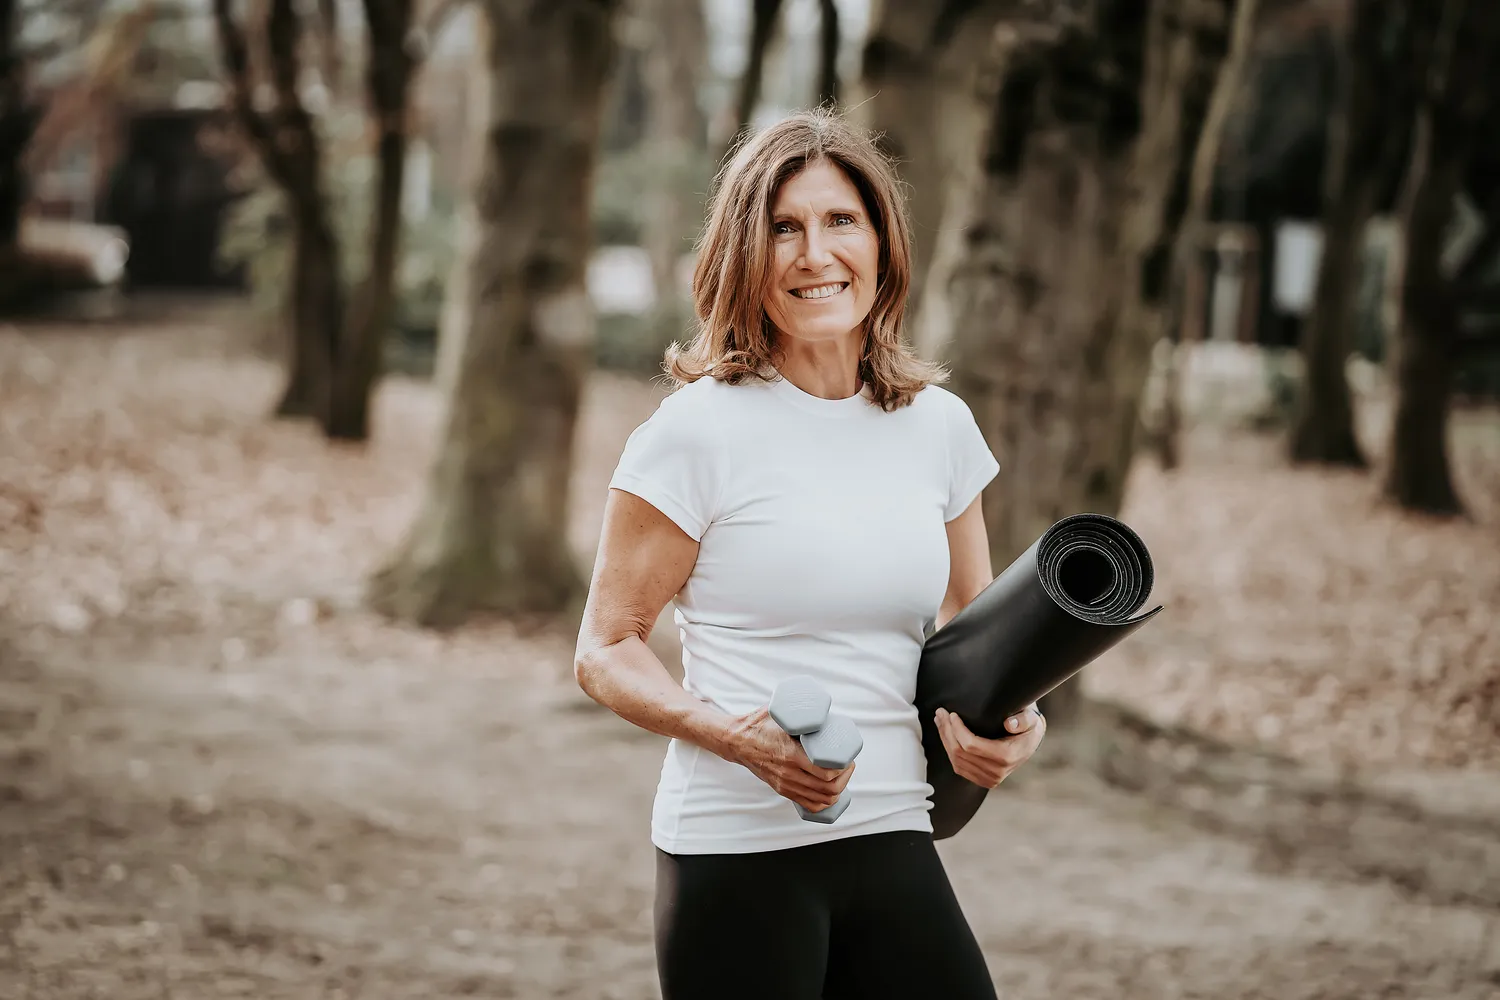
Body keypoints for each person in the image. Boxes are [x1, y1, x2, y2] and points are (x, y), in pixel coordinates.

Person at [573, 109, 1046, 1000]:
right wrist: (735, 738)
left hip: (896, 835)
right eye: (783, 228)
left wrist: (1009, 728)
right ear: (743, 256)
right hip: (737, 854)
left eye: (841, 222)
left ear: (883, 243)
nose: (813, 254)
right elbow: (604, 648)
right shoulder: (695, 433)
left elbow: (978, 630)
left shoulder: (938, 427)